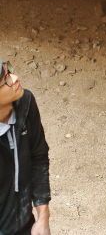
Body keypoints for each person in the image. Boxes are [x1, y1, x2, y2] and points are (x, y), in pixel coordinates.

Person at [0, 60, 51, 235]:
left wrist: (43, 217)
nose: (15, 78)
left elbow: (39, 157)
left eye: (9, 71)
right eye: (5, 81)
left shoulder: (25, 103)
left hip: (23, 224)